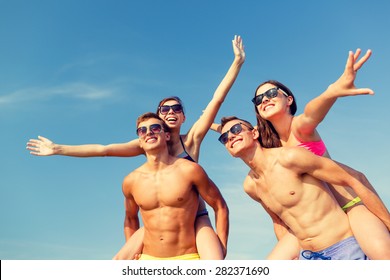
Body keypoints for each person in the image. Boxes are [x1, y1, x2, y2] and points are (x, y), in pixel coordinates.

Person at [26, 35, 245, 259]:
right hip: (157, 223)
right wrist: (58, 149)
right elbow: (104, 150)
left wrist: (237, 63)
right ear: (158, 119)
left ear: (183, 116)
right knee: (120, 261)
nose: (170, 112)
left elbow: (216, 100)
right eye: (164, 109)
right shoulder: (147, 143)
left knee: (215, 263)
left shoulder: (191, 140)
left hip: (195, 215)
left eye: (176, 108)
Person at [250, 49, 390, 259]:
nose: (264, 100)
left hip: (349, 207)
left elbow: (312, 113)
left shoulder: (300, 128)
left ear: (288, 100)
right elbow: (238, 134)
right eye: (258, 99)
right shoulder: (270, 146)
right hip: (315, 227)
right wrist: (217, 126)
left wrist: (331, 92)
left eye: (271, 94)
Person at [217, 116, 388, 259]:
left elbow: (354, 178)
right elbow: (278, 221)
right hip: (309, 256)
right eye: (224, 137)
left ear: (254, 133)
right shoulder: (250, 185)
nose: (230, 137)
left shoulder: (289, 158)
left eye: (237, 129)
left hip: (344, 248)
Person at [123, 112, 228, 260]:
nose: (149, 133)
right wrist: (133, 249)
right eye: (142, 130)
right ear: (140, 140)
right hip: (148, 258)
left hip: (188, 258)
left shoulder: (190, 170)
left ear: (166, 136)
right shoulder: (131, 181)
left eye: (155, 128)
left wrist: (222, 245)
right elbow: (130, 218)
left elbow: (220, 206)